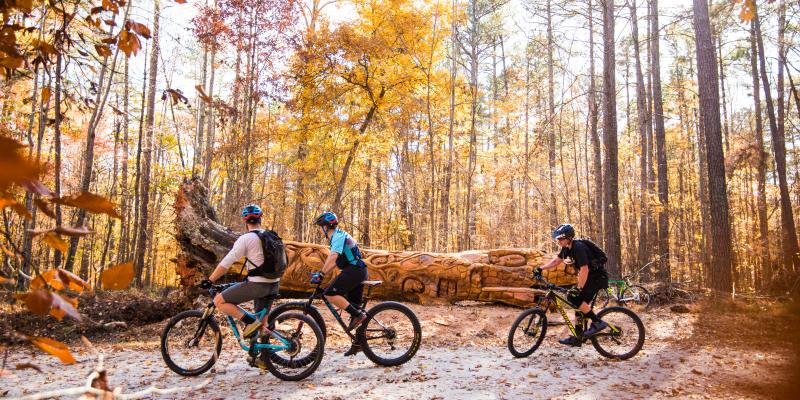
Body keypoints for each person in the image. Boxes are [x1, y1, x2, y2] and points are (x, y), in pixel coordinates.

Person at [200, 204, 280, 340]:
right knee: (263, 326)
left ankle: (250, 322)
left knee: (219, 301)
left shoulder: (246, 239)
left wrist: (210, 280)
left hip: (258, 286)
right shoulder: (270, 236)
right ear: (260, 218)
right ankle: (262, 358)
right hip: (274, 284)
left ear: (245, 221)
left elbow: (226, 263)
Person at [537, 223, 609, 346]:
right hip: (590, 278)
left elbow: (584, 269)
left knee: (574, 297)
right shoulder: (567, 248)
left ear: (569, 238)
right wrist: (540, 268)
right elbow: (556, 261)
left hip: (596, 278)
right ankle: (578, 337)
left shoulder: (578, 247)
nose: (558, 241)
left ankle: (597, 322)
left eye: (560, 238)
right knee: (578, 305)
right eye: (557, 238)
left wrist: (579, 288)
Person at [310, 211, 369, 356]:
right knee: (355, 308)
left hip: (355, 270)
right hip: (357, 270)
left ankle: (358, 316)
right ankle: (359, 343)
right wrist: (324, 273)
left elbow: (333, 257)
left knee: (330, 294)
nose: (320, 229)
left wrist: (321, 274)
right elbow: (337, 260)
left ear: (325, 227)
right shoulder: (339, 235)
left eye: (320, 227)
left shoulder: (337, 236)